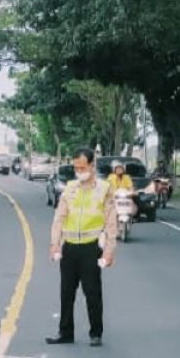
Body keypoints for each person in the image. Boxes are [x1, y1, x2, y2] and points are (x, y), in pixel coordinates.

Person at [47, 148, 117, 347]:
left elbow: (111, 223)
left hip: (91, 247)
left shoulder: (104, 188)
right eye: (76, 168)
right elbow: (59, 217)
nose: (79, 171)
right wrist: (54, 244)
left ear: (92, 165)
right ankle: (65, 332)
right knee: (66, 292)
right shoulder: (70, 187)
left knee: (92, 292)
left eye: (83, 167)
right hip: (69, 247)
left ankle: (96, 333)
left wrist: (109, 251)